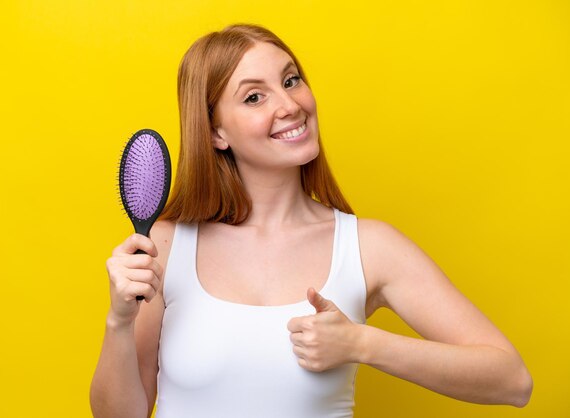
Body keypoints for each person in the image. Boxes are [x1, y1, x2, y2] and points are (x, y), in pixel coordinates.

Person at [90, 24, 532, 418]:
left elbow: (512, 381)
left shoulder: (368, 247)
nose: (290, 105)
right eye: (254, 96)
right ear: (215, 133)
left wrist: (363, 344)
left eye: (290, 80)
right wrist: (119, 321)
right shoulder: (166, 248)